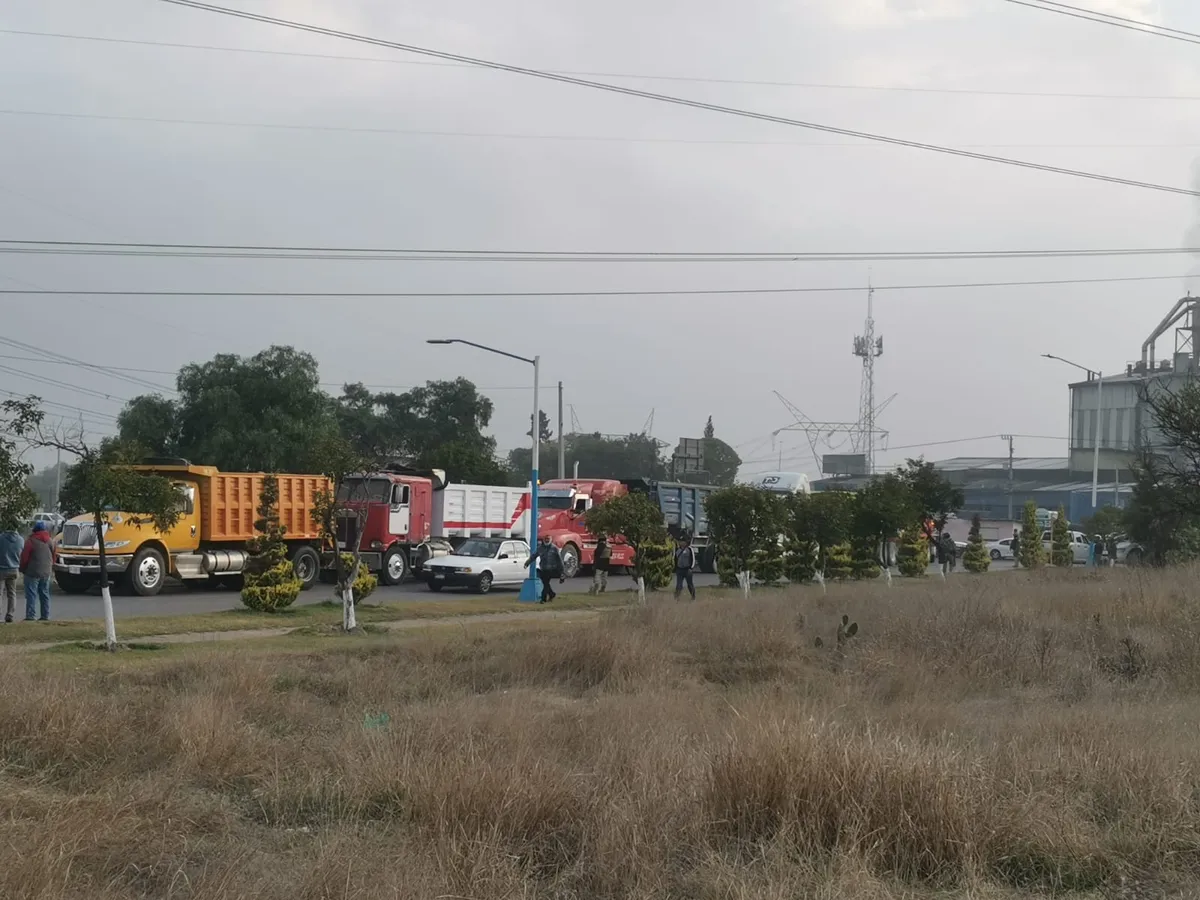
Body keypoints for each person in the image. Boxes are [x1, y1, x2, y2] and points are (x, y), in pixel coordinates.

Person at [19, 521, 55, 622]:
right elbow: (54, 556)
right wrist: (50, 567)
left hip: (32, 571)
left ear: (34, 530)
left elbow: (25, 558)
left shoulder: (30, 541)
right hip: (46, 571)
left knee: (31, 594)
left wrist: (22, 569)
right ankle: (45, 615)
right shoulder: (50, 541)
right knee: (44, 594)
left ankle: (31, 616)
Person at [525, 535, 562, 603]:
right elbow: (533, 556)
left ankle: (543, 599)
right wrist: (527, 563)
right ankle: (551, 594)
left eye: (548, 539)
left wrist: (562, 572)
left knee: (545, 584)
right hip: (544, 569)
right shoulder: (540, 548)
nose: (547, 540)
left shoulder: (554, 548)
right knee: (546, 584)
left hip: (552, 569)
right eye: (545, 539)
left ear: (551, 540)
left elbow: (560, 560)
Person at [0, 525, 22, 623]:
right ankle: (10, 615)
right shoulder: (21, 540)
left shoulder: (1, 538)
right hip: (14, 569)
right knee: (12, 593)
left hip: (1, 568)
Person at [673, 535, 697, 600]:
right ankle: (676, 597)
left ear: (686, 542)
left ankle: (693, 597)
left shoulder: (689, 549)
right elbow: (675, 559)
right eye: (680, 541)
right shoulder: (677, 549)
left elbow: (693, 559)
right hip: (679, 570)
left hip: (687, 570)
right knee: (679, 585)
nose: (681, 543)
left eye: (683, 541)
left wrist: (691, 568)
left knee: (690, 584)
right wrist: (675, 568)